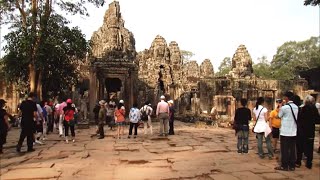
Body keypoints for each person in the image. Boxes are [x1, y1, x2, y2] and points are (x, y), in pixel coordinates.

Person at [275, 91, 298, 171]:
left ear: (287, 98)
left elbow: (278, 116)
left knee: (284, 149)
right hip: (293, 131)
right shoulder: (296, 107)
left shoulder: (284, 108)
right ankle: (292, 166)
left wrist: (280, 107)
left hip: (285, 131)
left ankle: (284, 166)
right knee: (292, 149)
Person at [295, 95, 320, 169]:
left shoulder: (301, 109)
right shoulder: (314, 109)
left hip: (301, 131)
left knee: (299, 147)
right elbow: (318, 120)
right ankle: (309, 163)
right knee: (310, 148)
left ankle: (298, 162)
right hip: (310, 132)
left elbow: (298, 120)